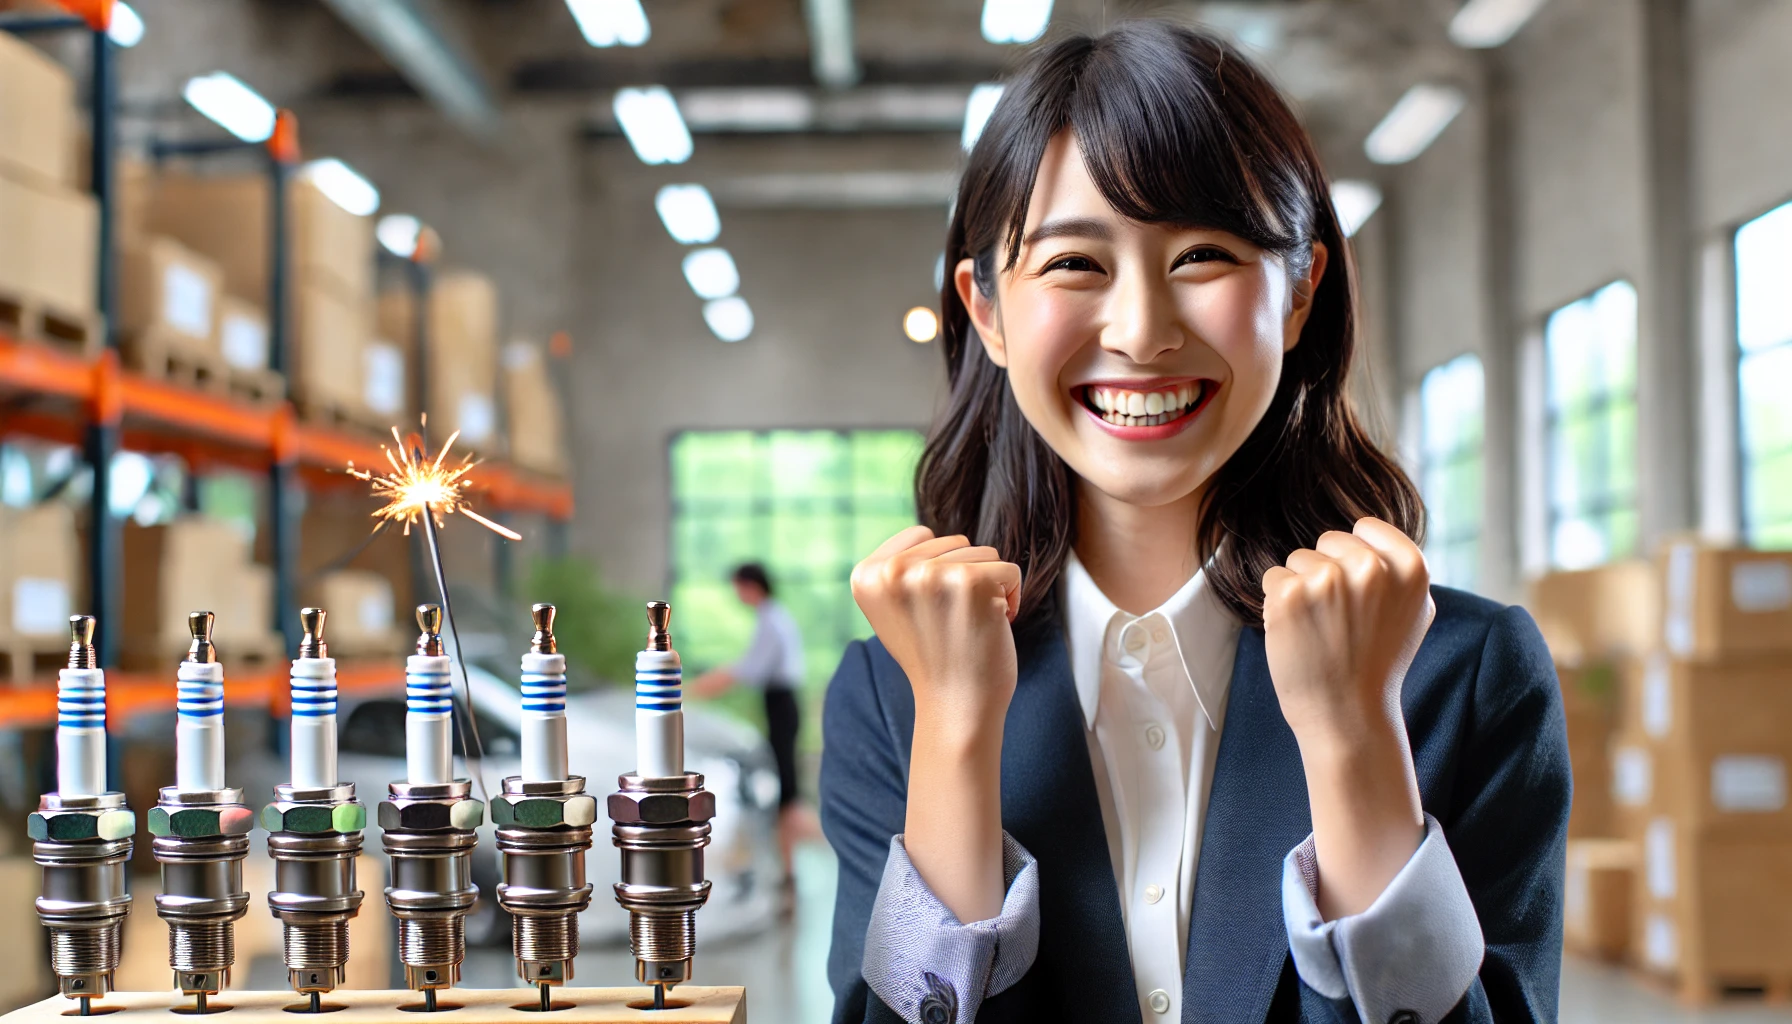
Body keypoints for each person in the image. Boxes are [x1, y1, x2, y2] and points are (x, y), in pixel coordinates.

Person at [820, 20, 1568, 1024]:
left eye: (1204, 254)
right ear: (987, 311)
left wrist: (1353, 737)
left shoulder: (1463, 671)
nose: (1140, 330)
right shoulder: (893, 692)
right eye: (1075, 265)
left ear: (1300, 290)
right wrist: (956, 731)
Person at [692, 563, 808, 892]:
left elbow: (751, 669)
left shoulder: (772, 621)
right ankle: (786, 868)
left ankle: (789, 865)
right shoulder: (771, 618)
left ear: (751, 586)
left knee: (786, 792)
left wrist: (704, 686)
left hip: (782, 705)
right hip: (779, 705)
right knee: (785, 789)